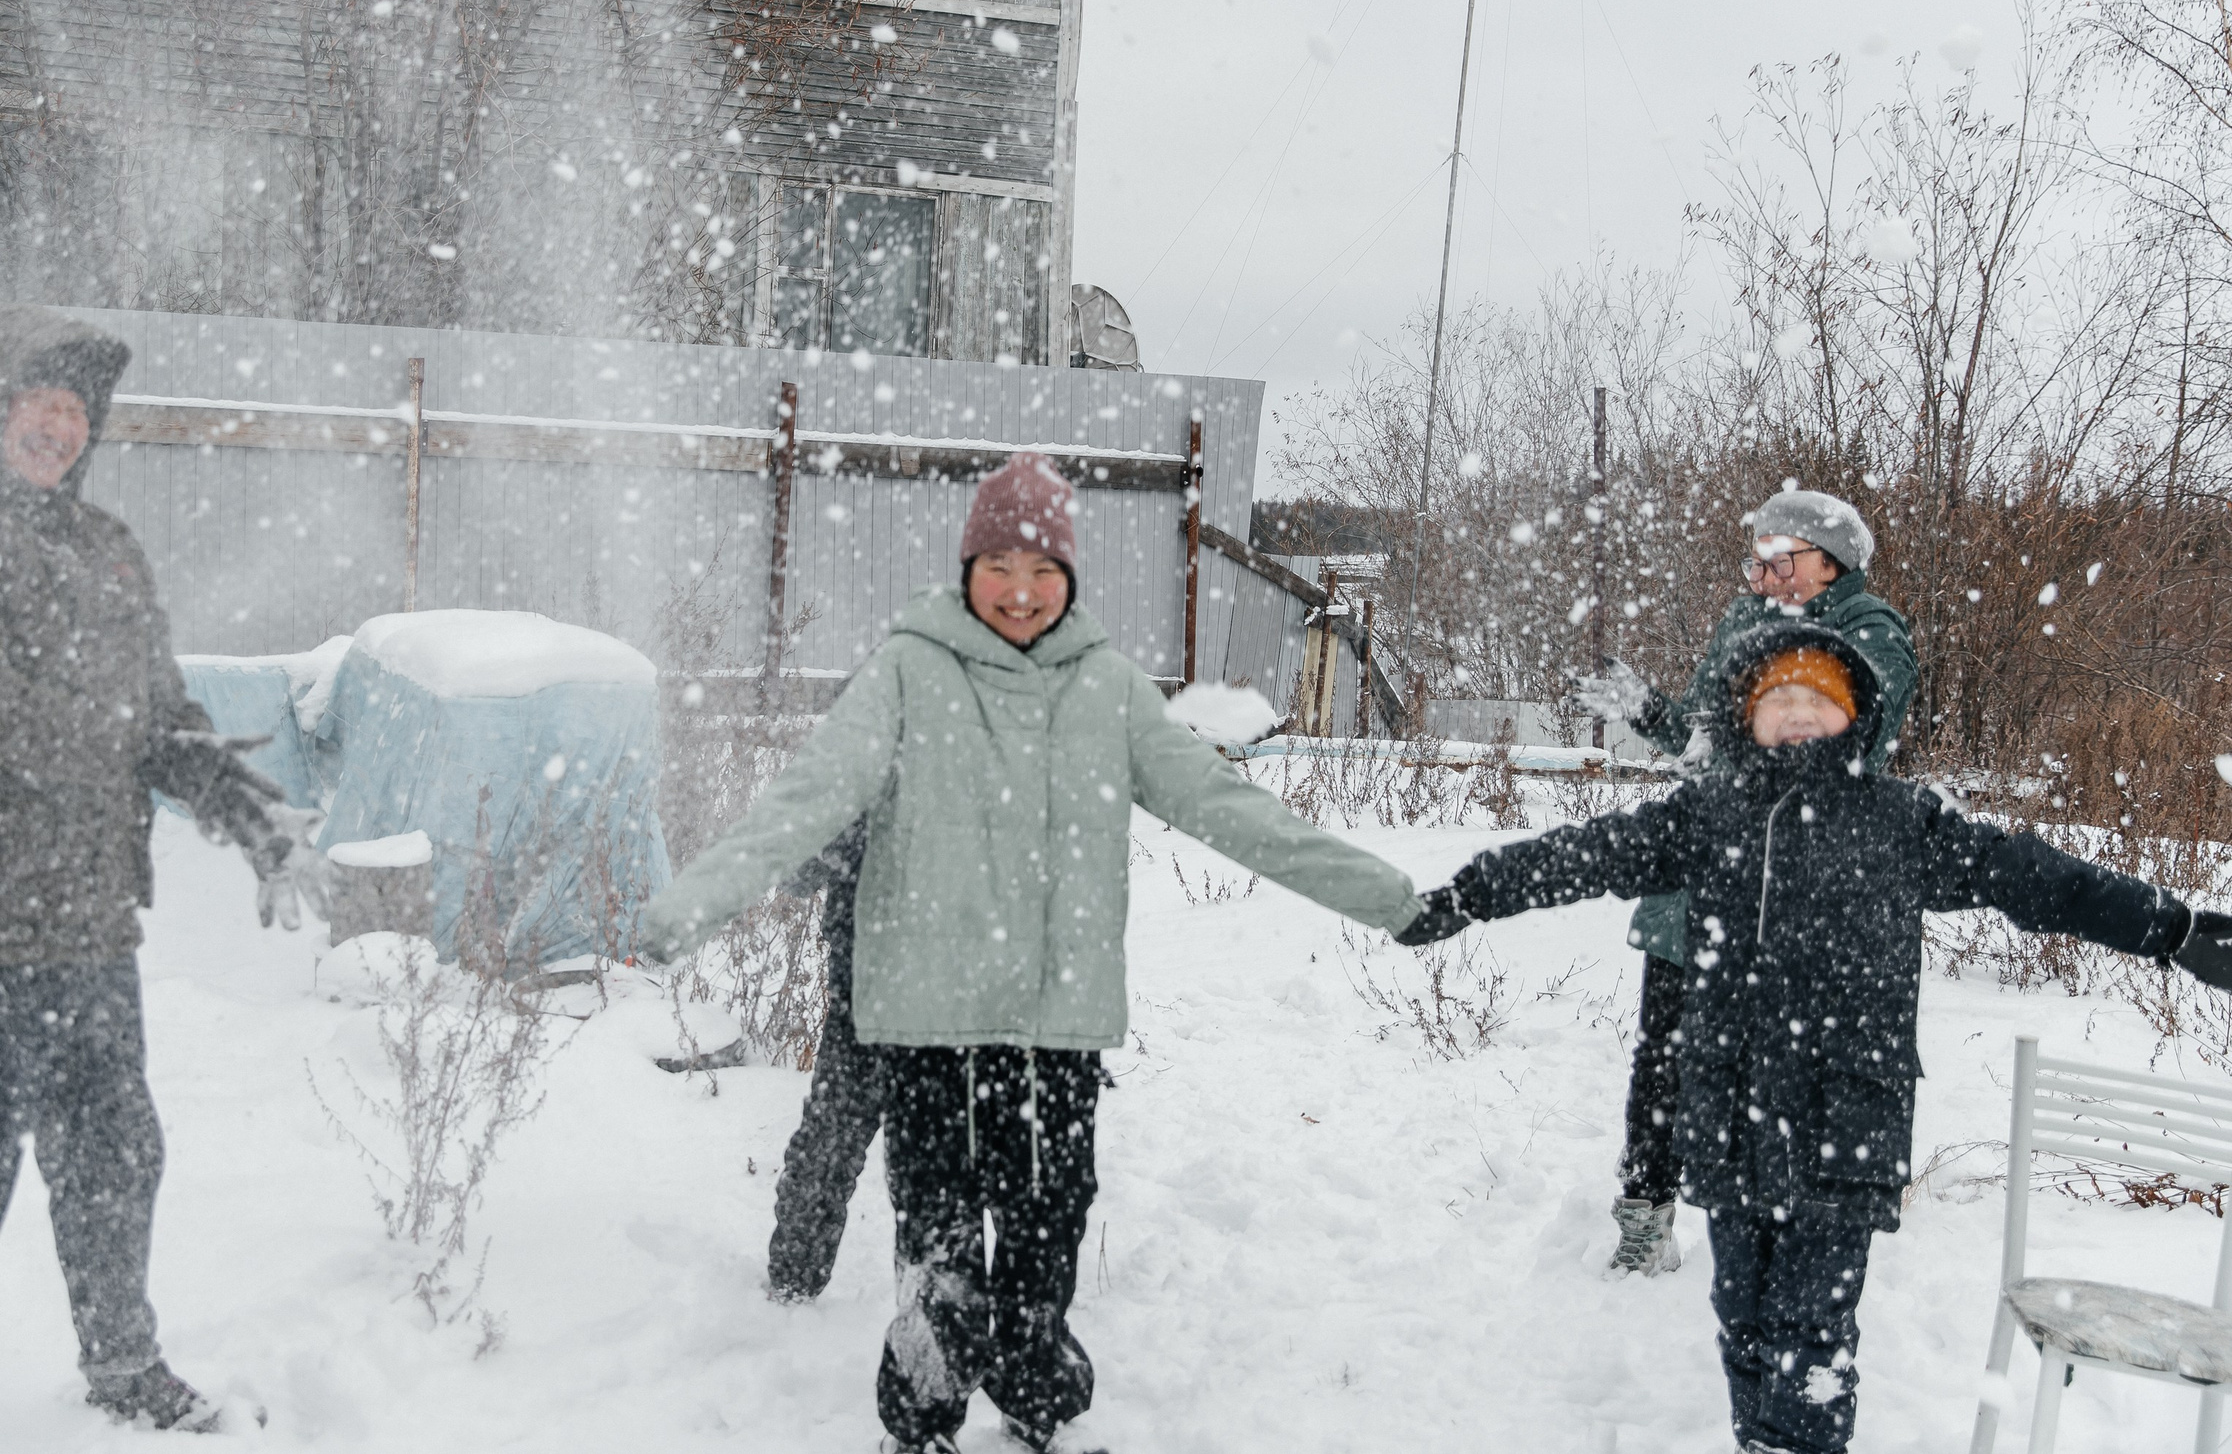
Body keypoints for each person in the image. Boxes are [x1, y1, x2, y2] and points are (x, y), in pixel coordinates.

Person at [640, 451, 1421, 1454]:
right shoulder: (905, 672)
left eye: (1043, 569)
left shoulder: (1109, 689)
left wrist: (1390, 900)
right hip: (925, 1025)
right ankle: (917, 1427)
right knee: (940, 1249)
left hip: (1054, 1028)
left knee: (1047, 1239)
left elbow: (1230, 809)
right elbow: (810, 798)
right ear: (967, 566)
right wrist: (693, 903)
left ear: (1073, 579)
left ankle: (1037, 1408)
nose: (1020, 590)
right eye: (999, 564)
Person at [1405, 619, 2232, 1454]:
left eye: (1818, 699)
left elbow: (2037, 878)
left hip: (1846, 1125)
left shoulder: (1902, 821)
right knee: (1743, 1320)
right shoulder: (1709, 812)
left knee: (1812, 1335)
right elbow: (1585, 852)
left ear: (1854, 715)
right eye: (1778, 699)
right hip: (1730, 1119)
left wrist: (2174, 929)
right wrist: (1471, 893)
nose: (1798, 712)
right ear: (1746, 716)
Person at [0, 304, 323, 1453]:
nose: (58, 425)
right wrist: (129, 733)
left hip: (84, 917)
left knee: (114, 1151)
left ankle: (121, 1360)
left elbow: (156, 711)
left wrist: (240, 804)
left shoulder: (104, 546)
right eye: (34, 400)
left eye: (74, 408)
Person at [1572, 488, 1914, 1276]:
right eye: (1755, 557)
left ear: (1830, 563)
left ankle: (1788, 1225)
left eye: (1777, 557)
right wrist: (1650, 711)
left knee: (1783, 1068)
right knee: (1665, 1054)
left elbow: (1865, 728)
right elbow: (1701, 743)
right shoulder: (1742, 619)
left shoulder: (1871, 631)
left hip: (1795, 895)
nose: (1760, 572)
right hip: (1703, 881)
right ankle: (1645, 1214)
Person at [765, 814, 882, 1303]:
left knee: (832, 1138)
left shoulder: (869, 761)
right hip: (878, 987)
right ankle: (793, 1283)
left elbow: (797, 870)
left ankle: (794, 1282)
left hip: (880, 985)